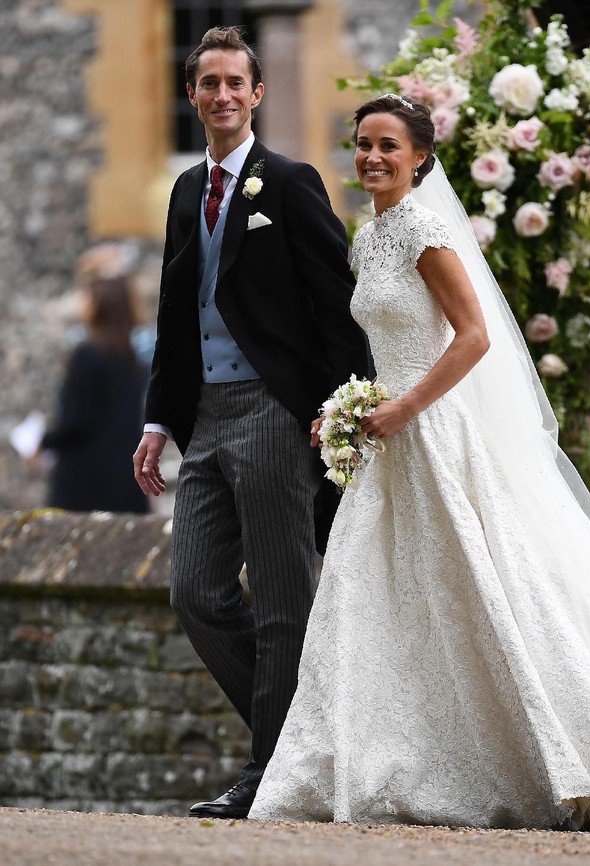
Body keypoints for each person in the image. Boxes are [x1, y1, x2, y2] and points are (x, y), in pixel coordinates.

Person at [248, 95, 590, 832]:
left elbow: (471, 337)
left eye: (388, 146)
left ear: (420, 157)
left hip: (434, 434)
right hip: (386, 444)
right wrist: (348, 411)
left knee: (481, 584)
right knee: (378, 593)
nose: (372, 157)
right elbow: (382, 344)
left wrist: (404, 409)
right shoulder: (366, 240)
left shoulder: (427, 232)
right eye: (363, 144)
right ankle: (380, 763)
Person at [132, 27, 370, 820]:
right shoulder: (180, 193)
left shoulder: (292, 182)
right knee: (195, 592)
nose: (224, 95)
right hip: (204, 418)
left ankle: (270, 773)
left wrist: (338, 416)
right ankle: (302, 739)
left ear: (258, 94)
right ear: (193, 95)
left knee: (281, 602)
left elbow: (339, 312)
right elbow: (173, 316)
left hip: (274, 413)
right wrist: (158, 422)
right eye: (209, 84)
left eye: (238, 82)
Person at [40, 262, 149, 515]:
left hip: (85, 484)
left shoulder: (88, 355)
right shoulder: (132, 359)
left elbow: (77, 421)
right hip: (124, 482)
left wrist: (43, 441)